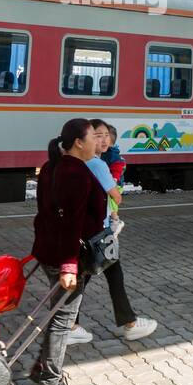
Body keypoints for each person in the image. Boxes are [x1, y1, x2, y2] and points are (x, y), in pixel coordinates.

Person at [28, 118, 106, 385]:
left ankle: (41, 369)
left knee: (58, 315)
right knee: (63, 320)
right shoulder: (75, 172)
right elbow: (71, 221)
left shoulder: (51, 167)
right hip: (67, 255)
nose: (98, 144)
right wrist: (70, 264)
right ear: (78, 143)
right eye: (93, 138)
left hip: (50, 250)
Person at [66, 120, 157, 344]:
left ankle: (73, 325)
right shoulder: (97, 164)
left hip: (88, 229)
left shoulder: (73, 163)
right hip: (98, 230)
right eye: (97, 135)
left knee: (88, 277)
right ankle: (129, 324)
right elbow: (116, 195)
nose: (104, 139)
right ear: (84, 140)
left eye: (107, 134)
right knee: (109, 275)